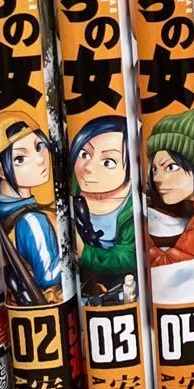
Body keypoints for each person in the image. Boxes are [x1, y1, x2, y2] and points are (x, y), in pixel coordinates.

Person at [0, 109, 63, 305]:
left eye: (39, 146)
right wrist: (75, 249)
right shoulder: (32, 221)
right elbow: (48, 276)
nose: (40, 159)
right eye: (20, 159)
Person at [70, 115, 136, 300]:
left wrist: (85, 252)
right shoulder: (72, 187)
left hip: (118, 287)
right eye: (84, 154)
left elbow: (128, 257)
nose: (89, 167)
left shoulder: (132, 206)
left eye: (108, 162)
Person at [145, 109, 194, 265]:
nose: (157, 178)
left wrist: (139, 238)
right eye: (155, 169)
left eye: (171, 167)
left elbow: (170, 267)